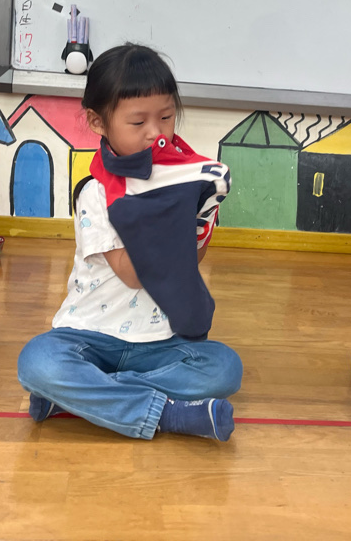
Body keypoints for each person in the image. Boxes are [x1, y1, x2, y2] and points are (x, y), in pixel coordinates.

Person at [17, 43, 243, 441]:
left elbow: (190, 260)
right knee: (38, 362)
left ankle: (83, 397)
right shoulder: (96, 192)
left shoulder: (181, 179)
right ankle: (168, 414)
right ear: (97, 121)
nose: (155, 132)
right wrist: (175, 211)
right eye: (138, 122)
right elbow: (135, 274)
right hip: (89, 335)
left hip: (159, 341)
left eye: (166, 117)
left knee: (226, 368)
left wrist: (202, 215)